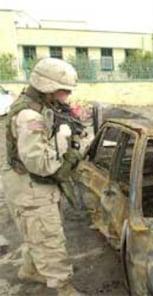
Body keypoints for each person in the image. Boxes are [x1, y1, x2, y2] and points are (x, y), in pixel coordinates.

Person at [2, 57, 83, 296]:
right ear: (47, 88)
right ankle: (64, 288)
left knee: (35, 233)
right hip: (32, 188)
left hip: (24, 185)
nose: (66, 96)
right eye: (62, 91)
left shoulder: (33, 106)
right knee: (49, 238)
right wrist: (67, 148)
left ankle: (31, 269)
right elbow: (39, 163)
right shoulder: (31, 117)